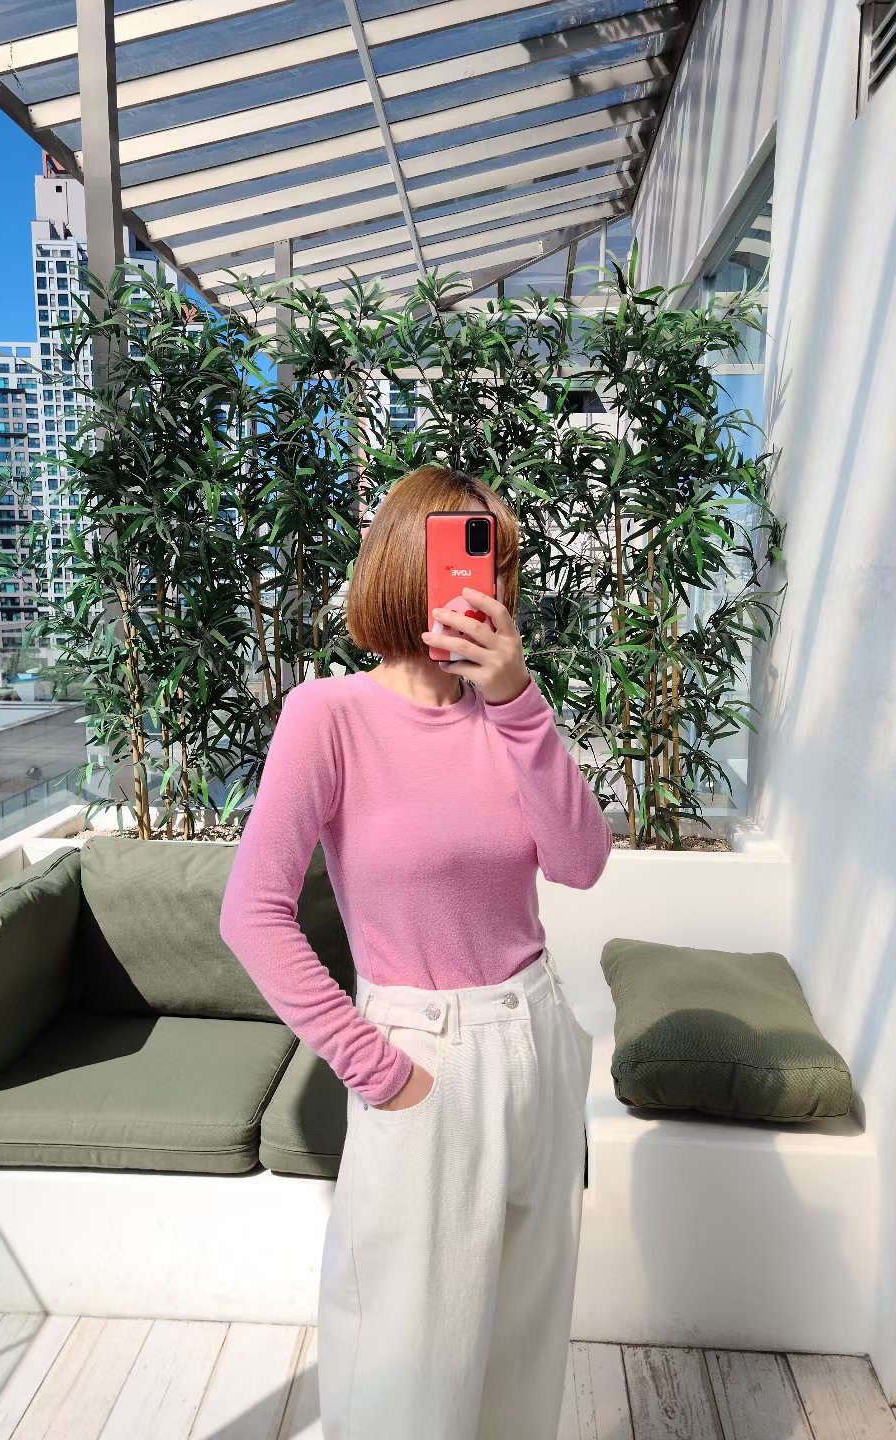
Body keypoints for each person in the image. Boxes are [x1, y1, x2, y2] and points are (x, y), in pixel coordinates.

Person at [219, 464, 612, 1440]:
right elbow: (252, 913)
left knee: (521, 1356)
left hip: (535, 1035)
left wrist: (517, 699)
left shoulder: (512, 716)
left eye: (499, 564)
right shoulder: (330, 715)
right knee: (404, 1373)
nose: (488, 582)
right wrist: (379, 1068)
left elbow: (581, 863)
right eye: (467, 557)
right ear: (406, 564)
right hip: (422, 1054)